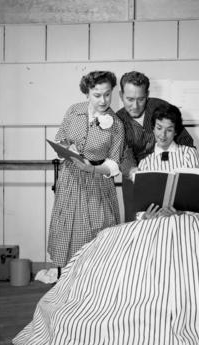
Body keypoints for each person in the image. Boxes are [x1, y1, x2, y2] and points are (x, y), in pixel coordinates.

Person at [13, 103, 199, 345]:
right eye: (159, 129)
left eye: (169, 130)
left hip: (187, 217)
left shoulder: (188, 154)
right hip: (155, 221)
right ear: (153, 129)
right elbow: (143, 204)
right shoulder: (147, 163)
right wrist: (149, 215)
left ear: (176, 131)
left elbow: (197, 192)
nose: (163, 135)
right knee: (112, 248)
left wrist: (181, 207)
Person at [47, 70, 125, 271]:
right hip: (70, 179)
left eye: (107, 94)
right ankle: (66, 282)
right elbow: (61, 136)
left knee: (97, 229)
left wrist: (93, 169)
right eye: (97, 95)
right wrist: (65, 146)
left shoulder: (116, 124)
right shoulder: (74, 111)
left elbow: (114, 163)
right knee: (67, 230)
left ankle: (94, 284)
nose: (103, 100)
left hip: (97, 182)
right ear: (87, 93)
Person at [116, 71, 195, 221]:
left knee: (177, 218)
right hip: (135, 174)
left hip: (170, 169)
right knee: (136, 224)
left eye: (141, 99)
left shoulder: (160, 106)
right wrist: (135, 174)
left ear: (147, 94)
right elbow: (123, 153)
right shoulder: (117, 121)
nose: (135, 106)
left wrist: (193, 163)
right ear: (121, 95)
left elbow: (183, 138)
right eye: (130, 99)